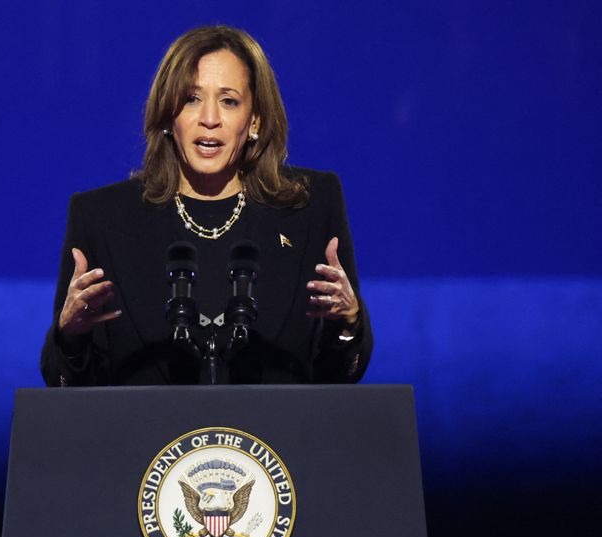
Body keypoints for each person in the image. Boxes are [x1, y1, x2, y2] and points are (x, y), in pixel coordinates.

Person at [40, 25, 372, 386]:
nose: (209, 118)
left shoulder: (310, 207)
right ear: (169, 116)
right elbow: (66, 388)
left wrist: (348, 323)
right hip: (146, 440)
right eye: (191, 99)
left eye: (229, 101)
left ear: (255, 119)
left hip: (278, 439)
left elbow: (340, 381)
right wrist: (70, 337)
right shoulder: (102, 218)